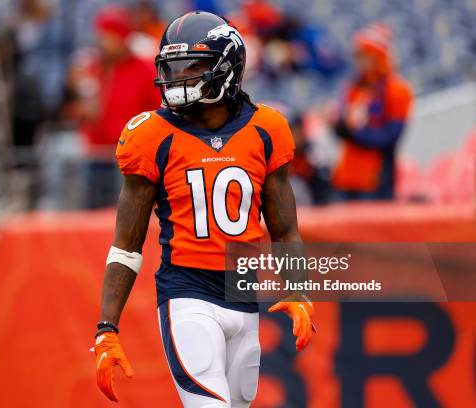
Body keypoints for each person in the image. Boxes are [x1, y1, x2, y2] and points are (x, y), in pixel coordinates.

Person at [92, 12, 315, 407]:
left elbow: (285, 231)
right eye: (172, 67)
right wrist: (107, 329)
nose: (177, 79)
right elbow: (126, 247)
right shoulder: (151, 135)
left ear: (226, 68)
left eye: (192, 67)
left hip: (244, 296)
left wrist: (298, 290)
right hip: (188, 294)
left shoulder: (267, 129)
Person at [63, 5, 159, 208]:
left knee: (123, 203)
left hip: (128, 155)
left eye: (109, 36)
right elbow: (80, 112)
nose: (103, 42)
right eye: (101, 36)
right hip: (94, 153)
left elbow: (158, 112)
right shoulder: (93, 67)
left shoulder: (144, 69)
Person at [331, 23, 413, 200]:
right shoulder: (353, 87)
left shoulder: (397, 89)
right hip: (346, 176)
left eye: (364, 56)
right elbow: (343, 125)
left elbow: (390, 136)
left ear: (378, 56)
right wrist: (337, 125)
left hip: (375, 179)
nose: (359, 62)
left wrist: (354, 134)